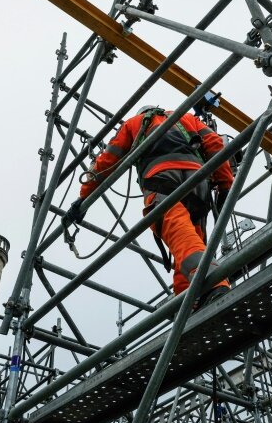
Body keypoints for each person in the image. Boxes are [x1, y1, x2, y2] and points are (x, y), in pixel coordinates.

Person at [63, 105, 234, 308]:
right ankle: (190, 302)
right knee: (189, 241)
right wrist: (225, 186)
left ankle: (211, 282)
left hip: (162, 178)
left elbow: (106, 162)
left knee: (178, 231)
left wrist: (83, 198)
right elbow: (215, 144)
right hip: (199, 183)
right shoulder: (186, 118)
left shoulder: (135, 124)